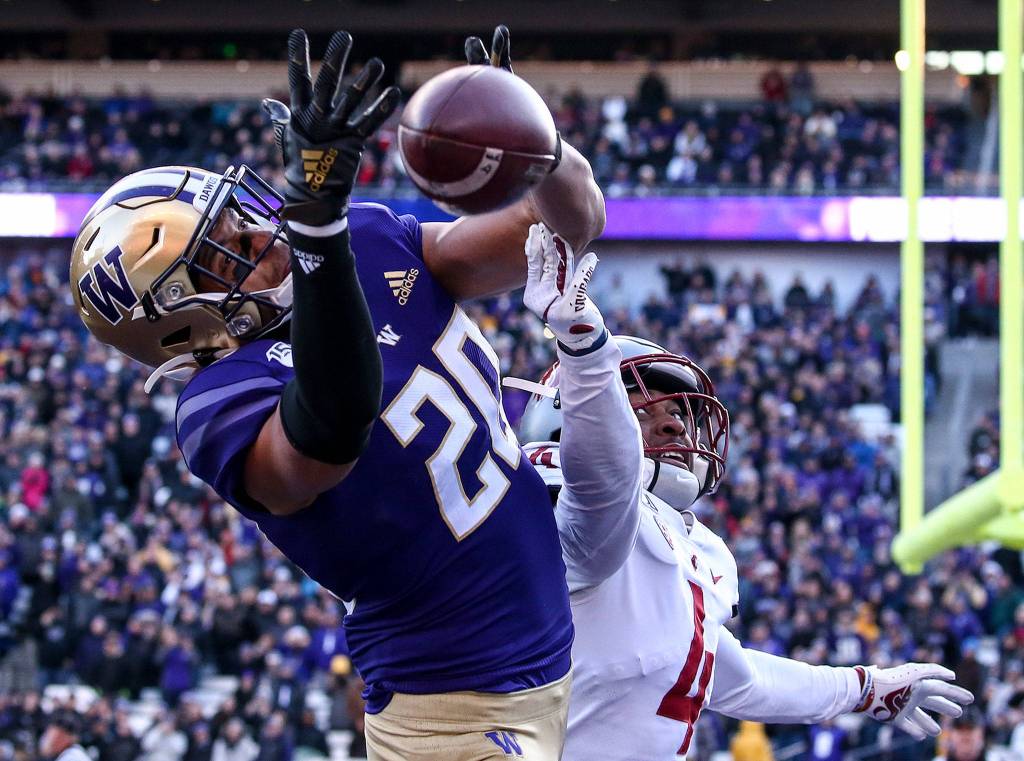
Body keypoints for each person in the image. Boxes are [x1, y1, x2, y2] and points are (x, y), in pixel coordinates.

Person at [70, 25, 604, 761]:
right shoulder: (218, 406)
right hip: (447, 714)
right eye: (226, 247)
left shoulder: (365, 241)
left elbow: (566, 228)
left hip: (553, 661)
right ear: (181, 322)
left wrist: (535, 154)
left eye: (241, 213)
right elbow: (330, 425)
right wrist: (319, 234)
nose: (261, 231)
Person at [518, 337, 974, 760]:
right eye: (641, 413)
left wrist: (864, 688)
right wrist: (584, 349)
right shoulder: (576, 512)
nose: (675, 424)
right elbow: (599, 493)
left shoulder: (690, 544)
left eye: (678, 412)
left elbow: (741, 679)